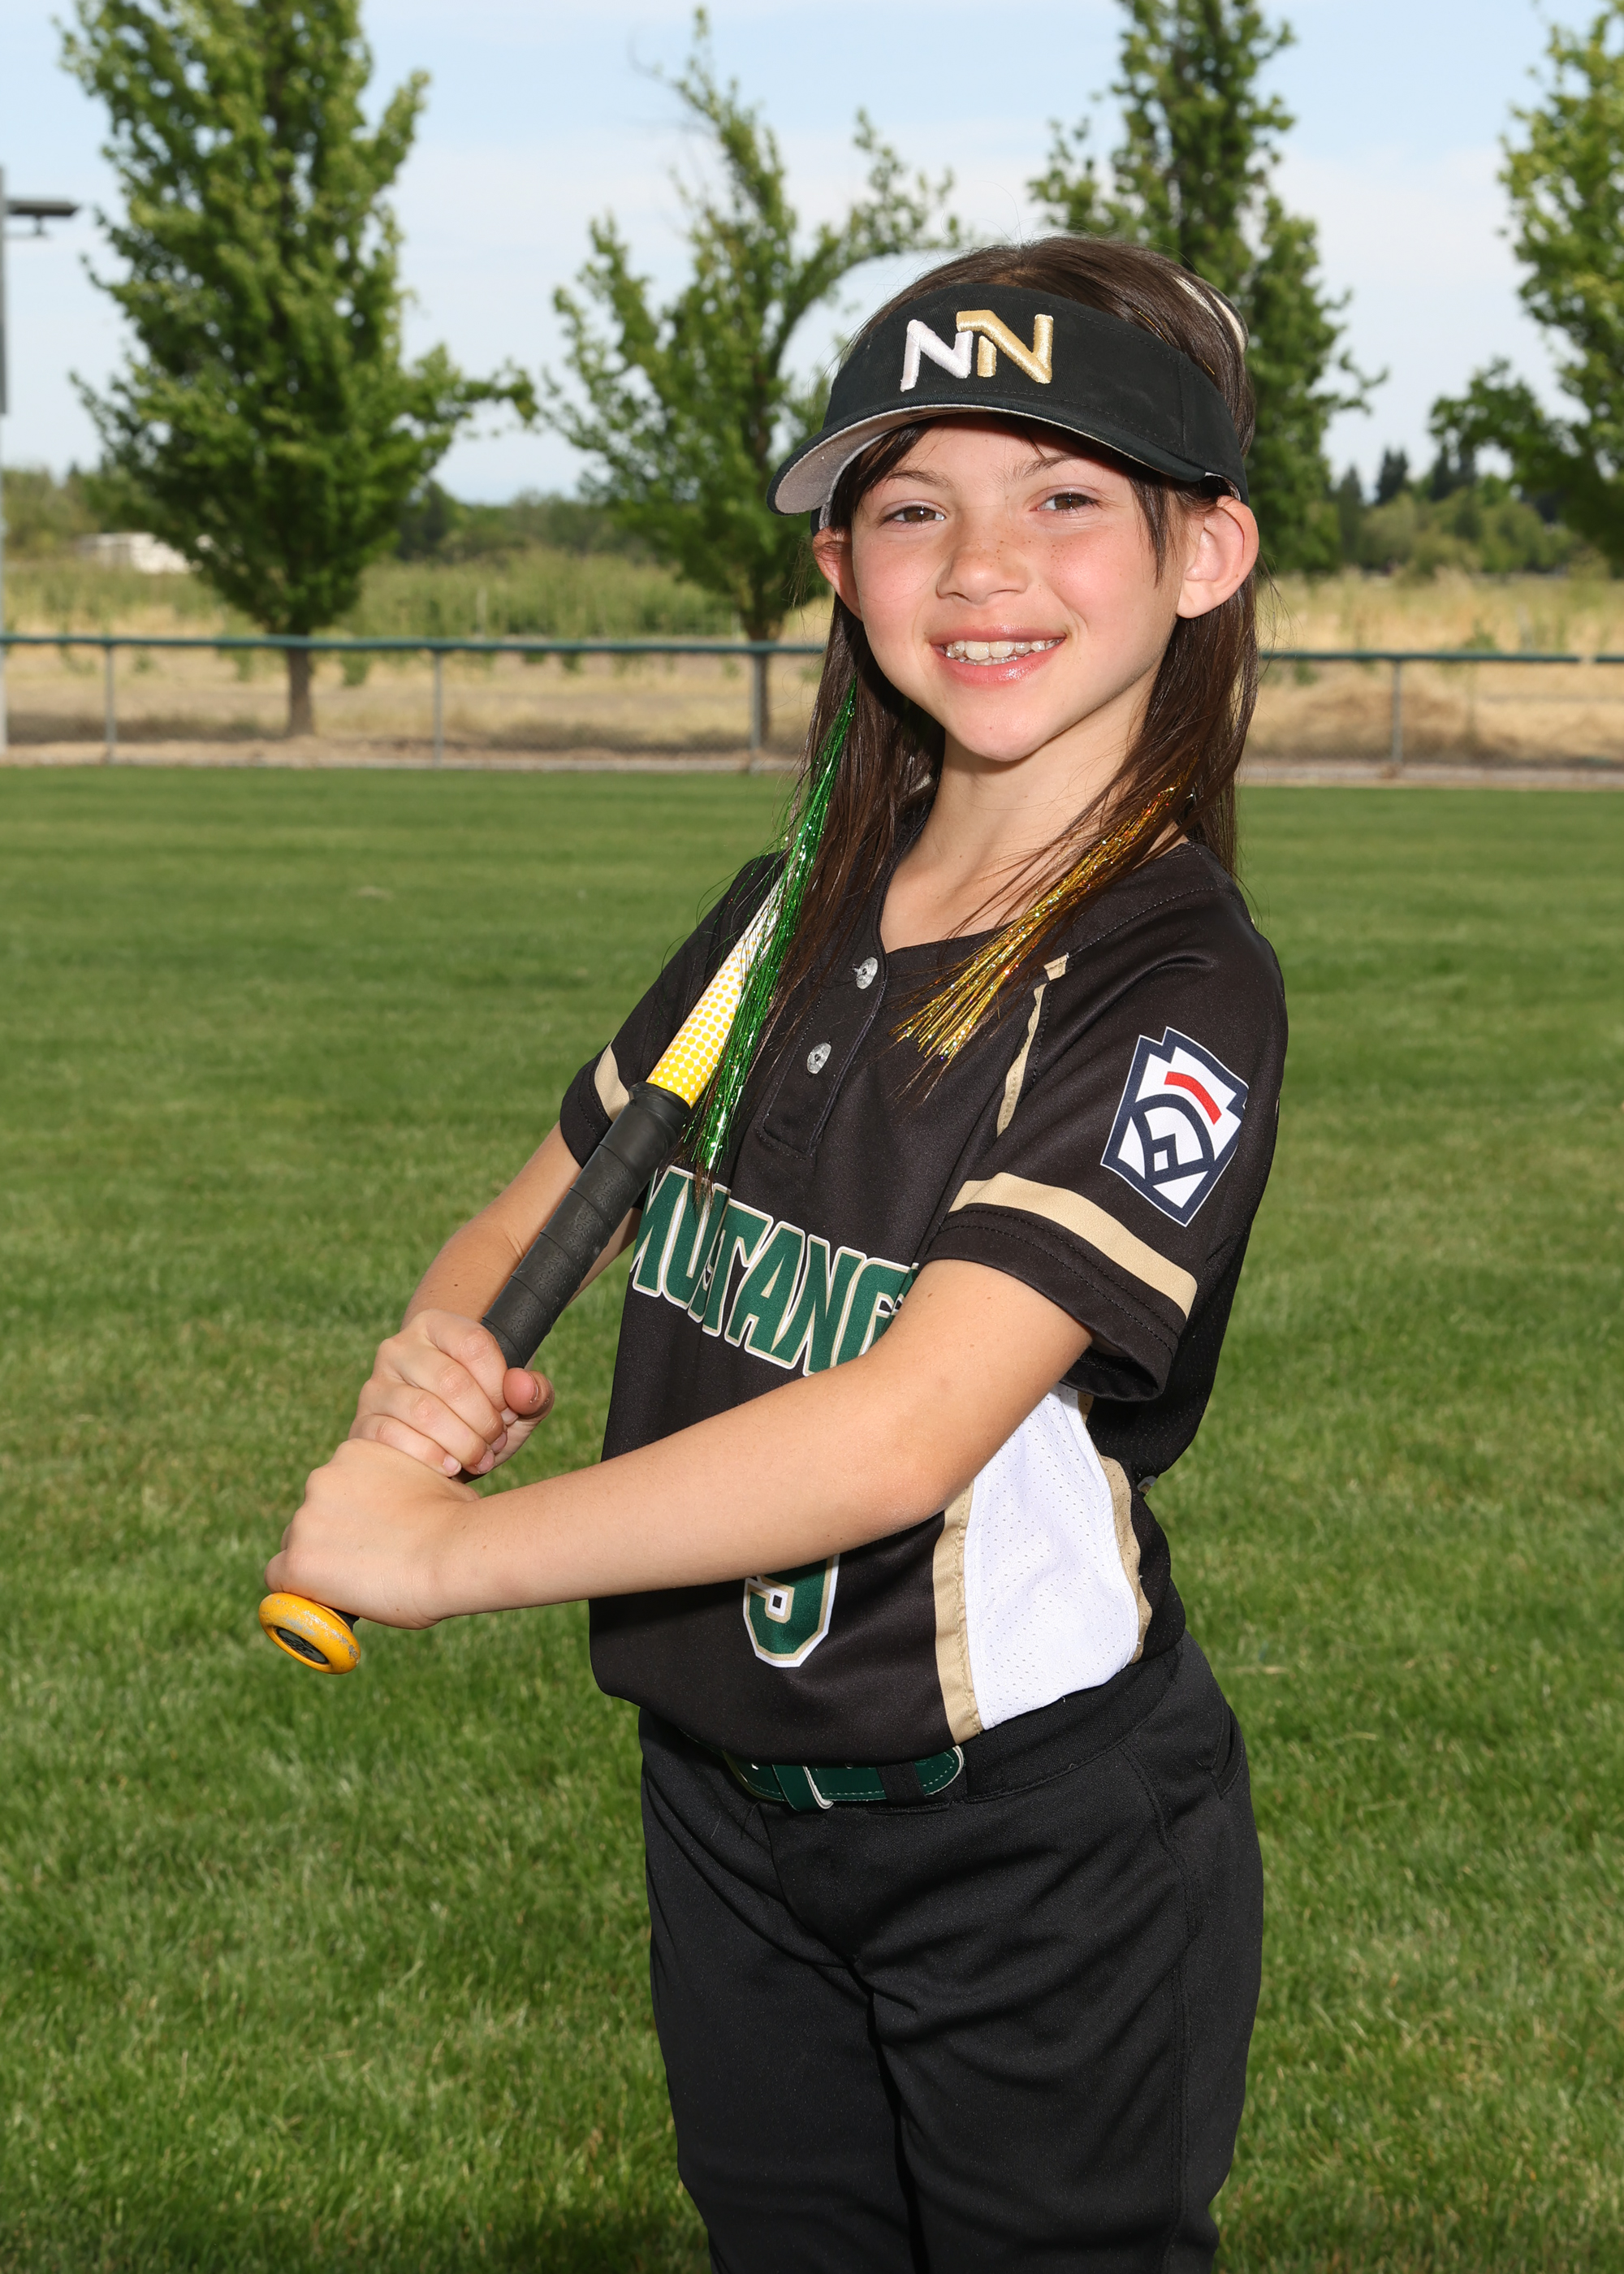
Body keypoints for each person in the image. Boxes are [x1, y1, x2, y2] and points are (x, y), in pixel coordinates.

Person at [268, 236, 1287, 2272]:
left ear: (1204, 554)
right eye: (912, 508)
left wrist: (452, 1551)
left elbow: (899, 1432)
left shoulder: (1167, 980)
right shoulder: (781, 909)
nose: (981, 566)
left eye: (1064, 497)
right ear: (839, 565)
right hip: (726, 1800)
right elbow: (534, 1209)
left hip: (1026, 1832)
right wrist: (438, 1349)